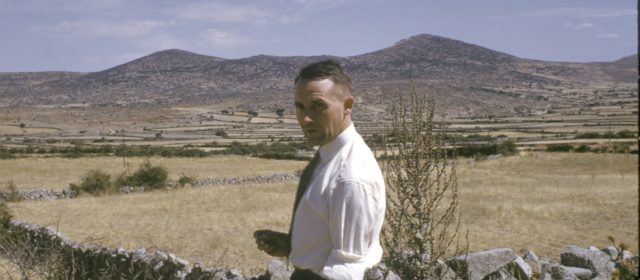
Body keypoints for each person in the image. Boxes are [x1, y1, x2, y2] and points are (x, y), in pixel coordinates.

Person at [253, 60, 386, 280]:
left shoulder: (350, 177)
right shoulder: (330, 154)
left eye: (318, 106)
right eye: (300, 107)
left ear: (348, 105)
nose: (305, 119)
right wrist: (295, 245)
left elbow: (346, 271)